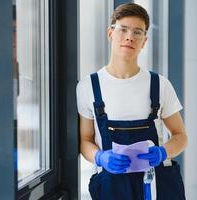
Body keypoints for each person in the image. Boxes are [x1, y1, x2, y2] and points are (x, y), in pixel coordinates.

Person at [76, 3, 187, 200]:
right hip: (112, 186)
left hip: (157, 184)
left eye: (137, 32)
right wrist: (101, 158)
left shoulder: (159, 84)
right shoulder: (88, 87)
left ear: (144, 41)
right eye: (123, 30)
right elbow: (85, 140)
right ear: (110, 33)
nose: (130, 37)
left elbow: (181, 136)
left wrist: (162, 153)